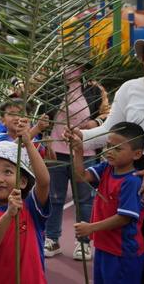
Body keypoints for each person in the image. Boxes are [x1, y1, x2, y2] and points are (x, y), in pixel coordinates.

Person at [77, 28, 144, 284]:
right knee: (133, 258)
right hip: (129, 180)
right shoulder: (130, 88)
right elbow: (110, 131)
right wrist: (78, 137)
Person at [69, 122, 144, 284]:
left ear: (137, 154)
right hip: (104, 247)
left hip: (122, 252)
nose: (110, 151)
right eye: (108, 146)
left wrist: (91, 227)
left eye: (117, 149)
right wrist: (78, 151)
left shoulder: (132, 181)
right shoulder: (107, 168)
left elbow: (124, 218)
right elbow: (80, 176)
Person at [0, 127, 51, 284]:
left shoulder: (31, 206)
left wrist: (28, 144)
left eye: (7, 172)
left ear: (22, 181)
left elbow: (44, 182)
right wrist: (8, 214)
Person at [45, 63, 104, 262]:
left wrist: (94, 123)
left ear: (83, 67)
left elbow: (107, 113)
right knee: (54, 197)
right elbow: (41, 114)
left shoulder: (95, 88)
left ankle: (84, 242)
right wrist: (46, 139)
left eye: (74, 65)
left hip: (85, 152)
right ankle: (52, 239)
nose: (69, 69)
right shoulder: (51, 87)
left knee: (85, 199)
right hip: (56, 152)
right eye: (65, 65)